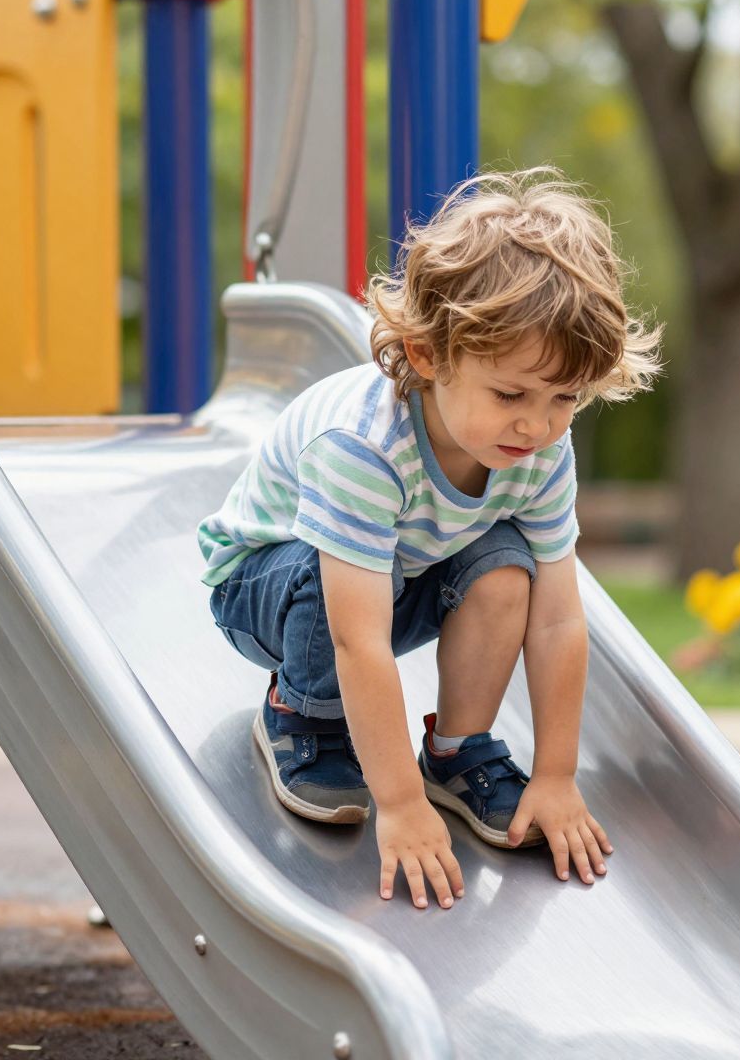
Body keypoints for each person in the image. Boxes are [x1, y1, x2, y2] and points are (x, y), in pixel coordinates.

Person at [198, 168, 661, 905]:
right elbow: (357, 639)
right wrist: (400, 805)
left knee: (510, 568)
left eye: (564, 399)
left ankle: (457, 751)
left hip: (397, 575)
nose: (536, 424)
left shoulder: (537, 452)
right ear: (427, 357)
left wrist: (557, 775)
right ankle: (301, 714)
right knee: (335, 578)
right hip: (269, 590)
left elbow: (560, 617)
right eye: (510, 394)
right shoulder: (364, 448)